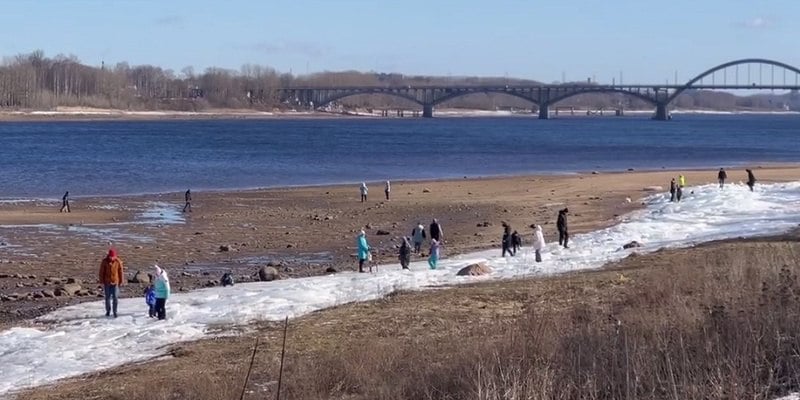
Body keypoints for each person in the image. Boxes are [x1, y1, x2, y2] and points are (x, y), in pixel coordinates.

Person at [98, 248, 124, 318]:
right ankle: (108, 311)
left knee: (115, 297)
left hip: (115, 282)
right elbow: (101, 272)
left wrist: (121, 281)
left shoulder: (118, 261)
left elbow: (120, 272)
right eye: (110, 256)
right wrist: (101, 281)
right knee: (107, 298)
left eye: (113, 257)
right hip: (107, 282)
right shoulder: (104, 261)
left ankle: (115, 312)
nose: (112, 258)